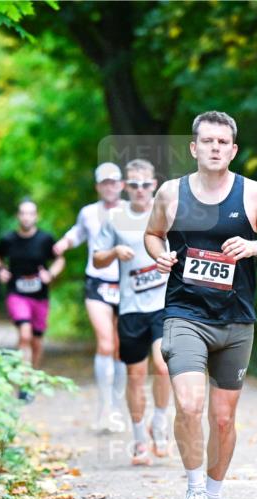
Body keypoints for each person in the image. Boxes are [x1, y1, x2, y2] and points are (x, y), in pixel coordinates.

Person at [144, 111, 257, 499]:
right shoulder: (171, 194)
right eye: (206, 141)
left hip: (235, 320)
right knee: (190, 405)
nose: (214, 147)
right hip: (184, 314)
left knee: (224, 419)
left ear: (233, 150)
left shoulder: (253, 195)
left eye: (221, 142)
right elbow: (153, 233)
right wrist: (159, 253)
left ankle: (213, 497)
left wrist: (256, 246)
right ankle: (193, 492)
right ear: (193, 148)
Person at [92, 159, 172, 466]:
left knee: (164, 366)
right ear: (126, 187)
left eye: (145, 185)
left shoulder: (166, 214)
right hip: (130, 310)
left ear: (154, 185)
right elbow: (97, 258)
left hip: (163, 305)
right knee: (136, 376)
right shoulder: (115, 218)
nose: (140, 191)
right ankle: (140, 438)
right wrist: (113, 252)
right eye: (134, 185)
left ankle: (161, 422)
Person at [54, 163, 128, 433]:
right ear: (98, 186)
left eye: (114, 182)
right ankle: (104, 407)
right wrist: (64, 242)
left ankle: (117, 408)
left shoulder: (131, 212)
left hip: (127, 284)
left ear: (121, 185)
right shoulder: (88, 212)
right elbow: (77, 232)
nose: (109, 186)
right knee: (106, 344)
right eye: (104, 182)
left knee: (122, 348)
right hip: (97, 282)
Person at [0, 198, 65, 399]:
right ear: (18, 216)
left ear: (36, 216)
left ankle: (32, 376)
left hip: (39, 295)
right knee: (24, 334)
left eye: (30, 213)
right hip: (16, 293)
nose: (26, 217)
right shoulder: (8, 239)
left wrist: (50, 274)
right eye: (23, 213)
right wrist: (1, 270)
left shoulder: (45, 239)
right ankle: (24, 382)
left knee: (36, 340)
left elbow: (60, 259)